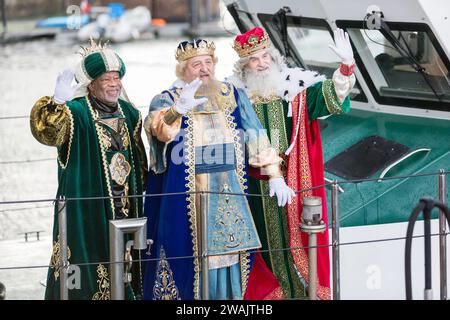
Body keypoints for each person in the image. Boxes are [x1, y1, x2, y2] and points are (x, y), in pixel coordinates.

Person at [142, 39, 293, 300]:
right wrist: (176, 111)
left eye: (208, 62)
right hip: (187, 196)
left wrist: (275, 174)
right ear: (182, 70)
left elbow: (256, 135)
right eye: (196, 64)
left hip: (229, 191)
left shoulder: (232, 94)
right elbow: (158, 130)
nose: (204, 69)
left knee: (231, 255)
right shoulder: (166, 99)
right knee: (188, 255)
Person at [228, 27, 356, 299]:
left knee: (298, 237)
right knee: (262, 244)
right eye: (254, 59)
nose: (261, 64)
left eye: (265, 57)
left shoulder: (295, 90)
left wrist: (346, 66)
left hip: (295, 182)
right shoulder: (234, 99)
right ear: (244, 67)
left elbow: (332, 96)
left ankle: (302, 293)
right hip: (253, 189)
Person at [29, 39, 148, 300]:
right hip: (88, 209)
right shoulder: (75, 113)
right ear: (91, 84)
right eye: (107, 79)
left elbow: (140, 161)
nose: (115, 84)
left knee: (125, 264)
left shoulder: (130, 113)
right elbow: (47, 133)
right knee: (88, 266)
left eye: (117, 78)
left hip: (124, 206)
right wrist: (56, 102)